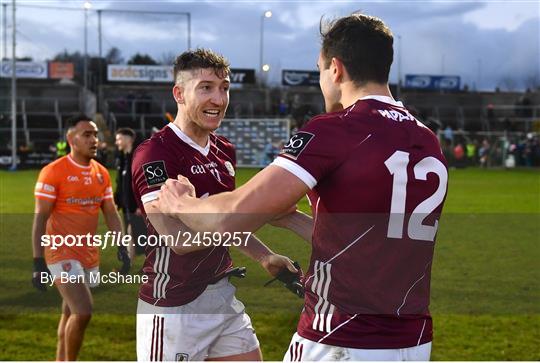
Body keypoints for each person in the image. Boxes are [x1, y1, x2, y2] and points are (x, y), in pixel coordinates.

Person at [155, 13, 448, 361]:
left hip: (338, 337)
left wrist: (183, 203)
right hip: (412, 342)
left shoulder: (336, 129)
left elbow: (232, 217)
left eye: (320, 70)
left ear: (335, 69)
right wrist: (293, 220)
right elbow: (370, 244)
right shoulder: (427, 139)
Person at [131, 48, 297, 361]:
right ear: (179, 93)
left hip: (221, 292)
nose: (219, 100)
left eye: (224, 88)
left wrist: (264, 256)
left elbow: (225, 222)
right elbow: (177, 241)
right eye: (205, 88)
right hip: (173, 304)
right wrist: (256, 215)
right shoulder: (155, 154)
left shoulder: (225, 151)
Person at [31, 114, 125, 361]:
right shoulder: (53, 172)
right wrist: (37, 261)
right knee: (83, 312)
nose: (94, 139)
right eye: (87, 134)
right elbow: (40, 217)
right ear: (71, 139)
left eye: (95, 134)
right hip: (60, 251)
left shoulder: (101, 173)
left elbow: (112, 214)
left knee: (70, 313)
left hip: (87, 254)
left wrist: (122, 247)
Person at [114, 128, 147, 265]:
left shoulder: (138, 158)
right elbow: (120, 183)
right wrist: (117, 200)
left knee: (141, 236)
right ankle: (129, 264)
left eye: (119, 139)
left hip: (137, 207)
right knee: (131, 234)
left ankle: (149, 265)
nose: (117, 142)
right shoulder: (123, 159)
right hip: (127, 205)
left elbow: (145, 183)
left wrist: (141, 205)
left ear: (129, 139)